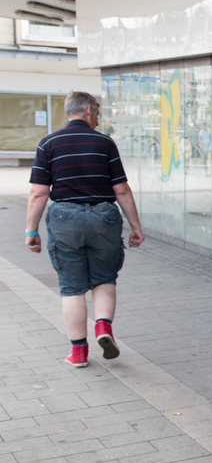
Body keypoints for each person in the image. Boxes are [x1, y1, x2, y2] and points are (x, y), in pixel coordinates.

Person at [25, 91, 145, 368]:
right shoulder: (105, 143)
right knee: (104, 278)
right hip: (104, 217)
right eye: (98, 113)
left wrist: (31, 231)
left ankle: (78, 353)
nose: (99, 119)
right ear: (89, 110)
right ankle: (103, 327)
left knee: (71, 287)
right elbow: (122, 190)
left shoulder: (48, 143)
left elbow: (38, 193)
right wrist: (135, 226)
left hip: (65, 217)